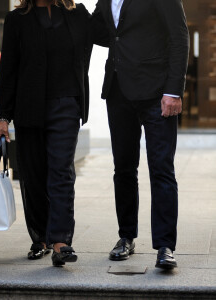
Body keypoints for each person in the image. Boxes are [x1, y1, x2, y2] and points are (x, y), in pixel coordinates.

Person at [0, 0, 105, 267]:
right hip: (29, 107)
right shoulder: (17, 19)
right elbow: (8, 68)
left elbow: (104, 33)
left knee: (61, 170)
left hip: (66, 104)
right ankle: (40, 238)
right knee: (34, 174)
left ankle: (60, 241)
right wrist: (3, 116)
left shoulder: (78, 14)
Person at [92, 0, 189, 269]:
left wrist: (174, 91)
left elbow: (179, 37)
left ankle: (165, 245)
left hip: (157, 92)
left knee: (161, 169)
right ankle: (126, 237)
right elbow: (102, 31)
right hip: (118, 90)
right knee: (123, 168)